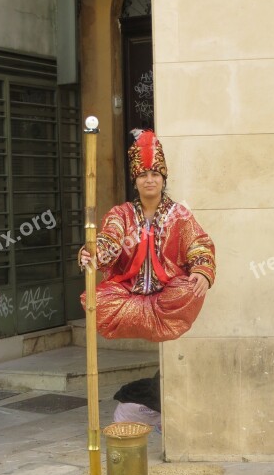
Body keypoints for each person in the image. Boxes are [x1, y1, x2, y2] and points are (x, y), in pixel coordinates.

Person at [78, 129, 216, 342]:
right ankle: (138, 319)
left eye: (155, 174)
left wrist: (203, 271)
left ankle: (148, 318)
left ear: (163, 180)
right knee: (96, 302)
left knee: (190, 289)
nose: (149, 180)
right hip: (127, 292)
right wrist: (93, 253)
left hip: (168, 295)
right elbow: (109, 239)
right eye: (143, 175)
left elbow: (199, 244)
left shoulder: (179, 214)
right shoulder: (121, 213)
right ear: (135, 181)